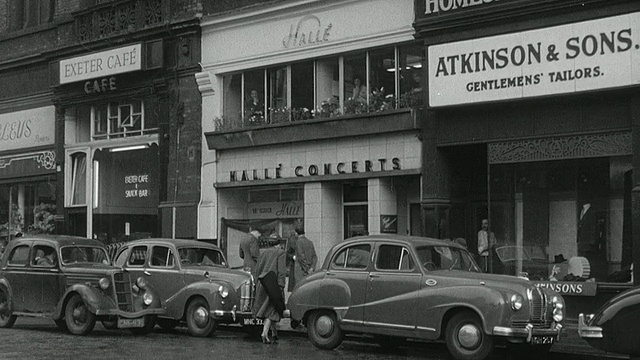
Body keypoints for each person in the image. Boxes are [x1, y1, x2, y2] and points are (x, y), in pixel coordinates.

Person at [251, 237, 287, 344]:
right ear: (278, 244)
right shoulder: (280, 253)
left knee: (268, 309)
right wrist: (281, 286)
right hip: (274, 285)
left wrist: (257, 284)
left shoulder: (263, 253)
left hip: (262, 284)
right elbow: (281, 272)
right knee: (272, 310)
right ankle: (265, 333)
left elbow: (257, 270)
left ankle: (274, 333)